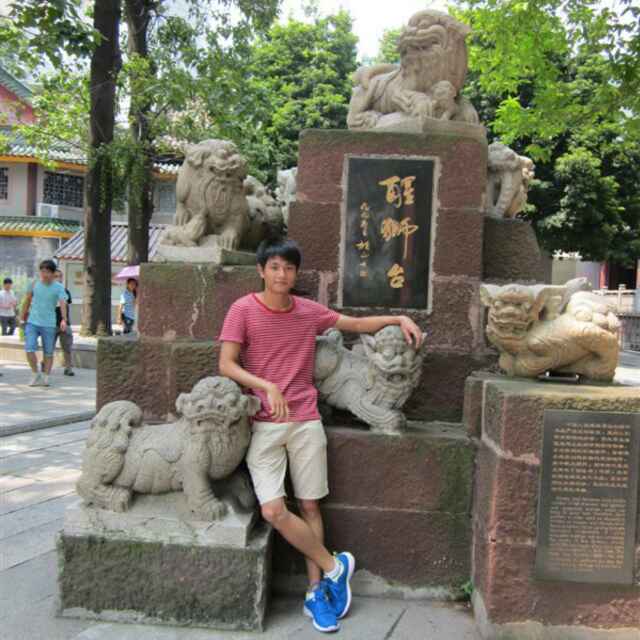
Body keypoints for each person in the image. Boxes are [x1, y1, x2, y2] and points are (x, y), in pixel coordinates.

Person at [218, 238, 423, 633]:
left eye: (288, 268)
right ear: (261, 270)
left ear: (296, 273)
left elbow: (355, 325)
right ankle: (335, 567)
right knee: (273, 511)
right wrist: (266, 386)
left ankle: (316, 594)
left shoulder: (307, 312)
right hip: (264, 424)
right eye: (274, 267)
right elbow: (226, 364)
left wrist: (399, 318)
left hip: (306, 422)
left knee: (311, 506)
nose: (281, 274)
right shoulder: (242, 310)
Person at [21, 259, 68, 387]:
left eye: (47, 271)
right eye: (42, 271)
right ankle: (35, 373)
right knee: (29, 348)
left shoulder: (58, 287)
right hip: (32, 322)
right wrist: (21, 318)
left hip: (49, 323)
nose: (44, 274)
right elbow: (27, 301)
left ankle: (46, 377)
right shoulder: (34, 284)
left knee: (48, 352)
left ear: (53, 273)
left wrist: (64, 319)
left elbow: (63, 303)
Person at [54, 269, 75, 376]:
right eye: (56, 276)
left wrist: (65, 321)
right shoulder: (48, 291)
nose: (58, 278)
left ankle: (68, 368)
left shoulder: (66, 291)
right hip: (51, 324)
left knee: (67, 348)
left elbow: (66, 306)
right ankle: (45, 365)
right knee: (48, 348)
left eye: (60, 276)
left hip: (65, 324)